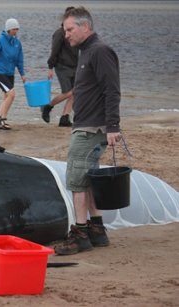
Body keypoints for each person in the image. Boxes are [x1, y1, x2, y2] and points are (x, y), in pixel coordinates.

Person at [54, 6, 122, 255]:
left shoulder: (100, 51)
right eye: (65, 31)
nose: (66, 35)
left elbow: (112, 89)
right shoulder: (86, 51)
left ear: (85, 27)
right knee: (88, 178)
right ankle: (97, 230)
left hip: (91, 129)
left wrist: (113, 126)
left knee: (77, 181)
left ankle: (80, 234)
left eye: (70, 29)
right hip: (86, 125)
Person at [42, 6, 79, 127]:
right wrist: (50, 68)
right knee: (68, 92)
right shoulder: (59, 34)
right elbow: (54, 51)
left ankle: (64, 118)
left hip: (75, 66)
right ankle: (48, 106)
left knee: (74, 92)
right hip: (62, 66)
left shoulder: (76, 32)